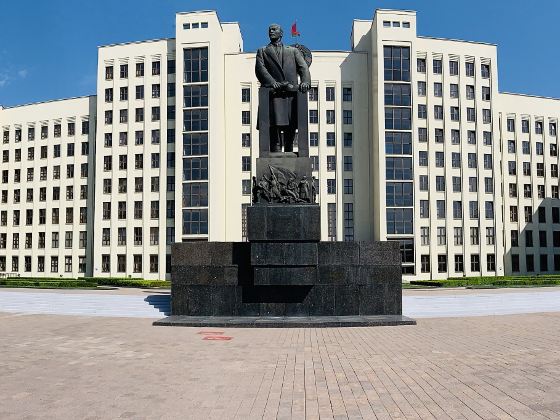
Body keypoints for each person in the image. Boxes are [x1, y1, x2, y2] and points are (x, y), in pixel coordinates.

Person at [255, 24, 311, 153]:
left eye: (274, 29)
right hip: (273, 94)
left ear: (281, 33)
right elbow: (260, 69)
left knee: (291, 125)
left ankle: (289, 150)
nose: (271, 31)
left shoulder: (292, 51)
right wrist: (272, 82)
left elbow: (303, 67)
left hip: (290, 95)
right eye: (270, 30)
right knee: (273, 124)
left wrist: (305, 82)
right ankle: (275, 151)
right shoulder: (263, 51)